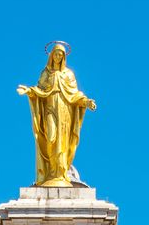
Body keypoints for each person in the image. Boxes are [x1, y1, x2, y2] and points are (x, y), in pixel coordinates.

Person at [16, 42, 96, 186]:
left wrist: (86, 102)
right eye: (56, 54)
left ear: (64, 57)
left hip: (65, 113)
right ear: (52, 56)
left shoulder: (68, 74)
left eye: (61, 55)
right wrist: (29, 91)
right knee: (51, 138)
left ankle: (60, 173)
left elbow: (75, 94)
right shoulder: (46, 73)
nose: (58, 57)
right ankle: (51, 173)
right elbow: (39, 90)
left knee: (63, 143)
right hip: (50, 110)